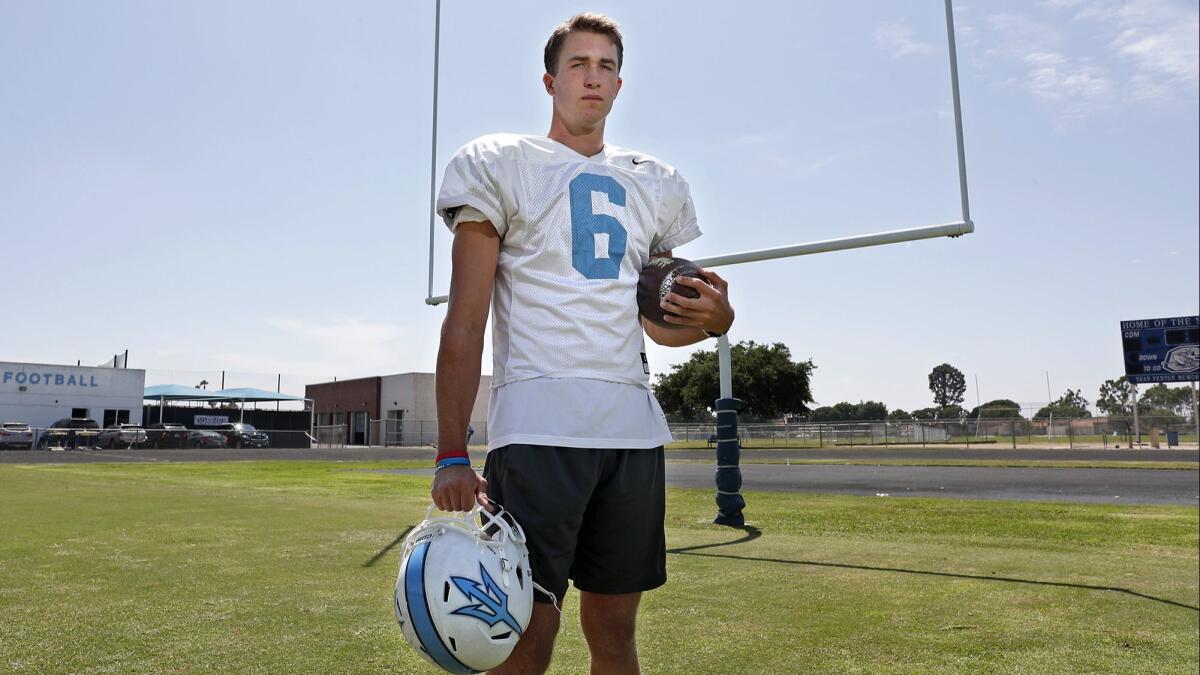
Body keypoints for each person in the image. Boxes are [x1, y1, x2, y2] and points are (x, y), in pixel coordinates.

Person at [430, 13, 734, 674]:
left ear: (620, 85)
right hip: (540, 433)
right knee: (526, 636)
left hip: (630, 433)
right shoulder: (503, 164)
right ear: (550, 80)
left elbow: (657, 322)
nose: (591, 77)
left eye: (604, 66)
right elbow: (465, 318)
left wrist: (715, 320)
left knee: (615, 630)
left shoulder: (653, 182)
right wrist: (452, 450)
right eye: (578, 64)